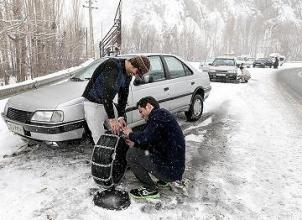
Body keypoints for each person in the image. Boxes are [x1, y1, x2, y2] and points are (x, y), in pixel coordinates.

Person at [122, 96, 186, 199]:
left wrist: (130, 134)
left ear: (148, 106)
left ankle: (150, 189)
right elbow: (153, 141)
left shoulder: (158, 116)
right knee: (142, 150)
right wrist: (136, 143)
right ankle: (164, 180)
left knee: (131, 154)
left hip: (171, 171)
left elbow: (145, 138)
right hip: (174, 169)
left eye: (141, 111)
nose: (141, 115)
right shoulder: (161, 115)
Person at [82, 55, 150, 144]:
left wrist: (121, 116)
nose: (136, 75)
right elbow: (106, 94)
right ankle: (101, 156)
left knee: (119, 132)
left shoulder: (128, 75)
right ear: (134, 64)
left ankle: (115, 155)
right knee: (99, 139)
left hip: (107, 104)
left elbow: (123, 95)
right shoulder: (113, 65)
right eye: (137, 72)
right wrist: (112, 119)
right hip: (93, 104)